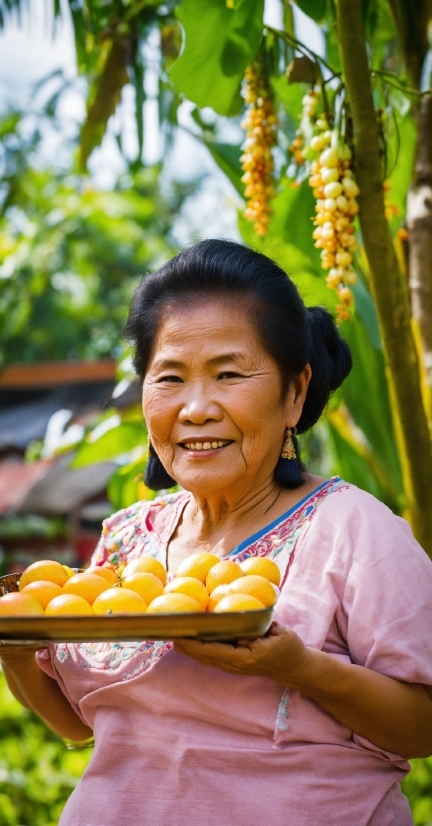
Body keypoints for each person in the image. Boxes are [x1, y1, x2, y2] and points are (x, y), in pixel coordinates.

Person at [1, 239, 432, 826]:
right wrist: (18, 652)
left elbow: (422, 726)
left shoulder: (355, 531)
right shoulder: (126, 541)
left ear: (295, 390)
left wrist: (297, 668)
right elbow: (83, 723)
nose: (196, 407)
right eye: (170, 378)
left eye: (228, 373)